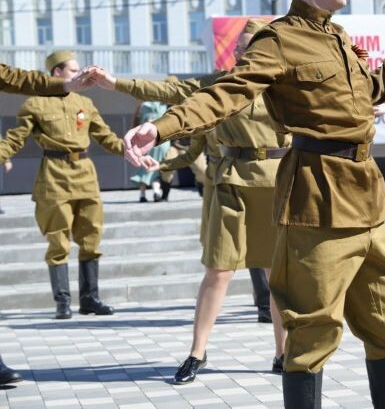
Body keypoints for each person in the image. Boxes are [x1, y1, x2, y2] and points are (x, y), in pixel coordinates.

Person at [122, 0, 385, 408]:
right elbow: (228, 92)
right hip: (318, 201)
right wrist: (164, 127)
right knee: (312, 334)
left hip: (367, 202)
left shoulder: (337, 37)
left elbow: (369, 94)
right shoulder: (278, 40)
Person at [91, 20, 288, 382]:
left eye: (253, 48)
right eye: (241, 48)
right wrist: (115, 83)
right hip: (231, 180)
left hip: (278, 181)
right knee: (219, 269)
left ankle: (283, 353)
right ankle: (197, 352)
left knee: (278, 275)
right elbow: (169, 90)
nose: (245, 53)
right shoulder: (218, 84)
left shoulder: (285, 85)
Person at [0, 51, 123, 320]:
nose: (80, 75)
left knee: (92, 238)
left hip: (86, 176)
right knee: (58, 242)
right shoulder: (34, 105)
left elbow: (105, 135)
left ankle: (90, 298)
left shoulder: (85, 103)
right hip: (54, 178)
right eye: (73, 71)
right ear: (57, 73)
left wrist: (130, 150)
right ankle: (63, 301)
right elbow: (14, 138)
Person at [160, 130, 274, 324]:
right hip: (217, 180)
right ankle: (199, 348)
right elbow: (192, 150)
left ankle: (265, 305)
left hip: (256, 176)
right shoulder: (211, 109)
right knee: (217, 255)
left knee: (262, 249)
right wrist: (162, 163)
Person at [130, 101, 171, 202]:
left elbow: (135, 124)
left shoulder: (142, 106)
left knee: (145, 168)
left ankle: (142, 194)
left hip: (146, 143)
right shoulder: (163, 104)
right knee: (155, 169)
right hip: (162, 142)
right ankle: (156, 191)